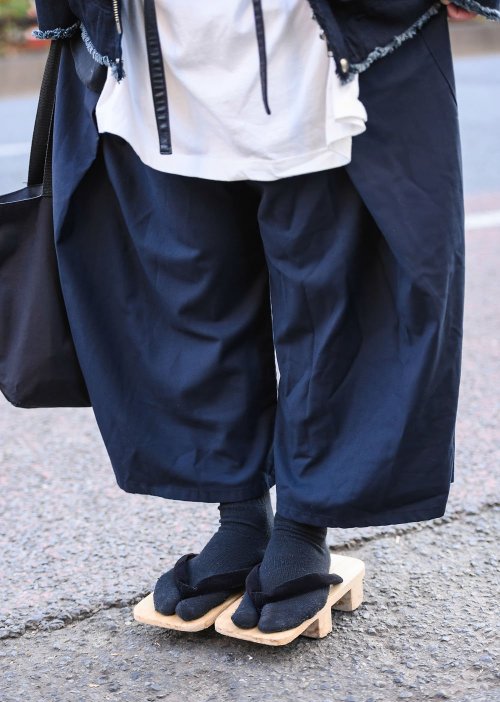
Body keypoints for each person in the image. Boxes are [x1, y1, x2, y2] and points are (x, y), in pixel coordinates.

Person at [32, 0, 499, 635]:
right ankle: (243, 516)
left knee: (337, 296)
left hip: (318, 43)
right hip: (158, 46)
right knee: (188, 292)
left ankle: (305, 524)